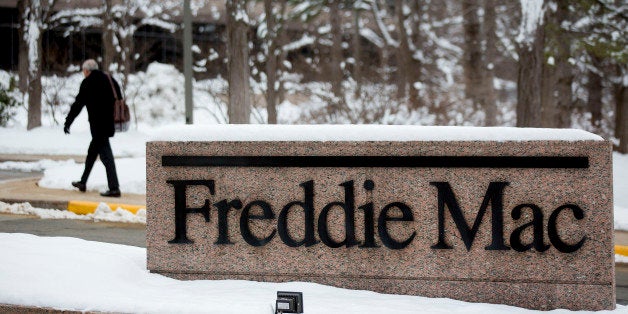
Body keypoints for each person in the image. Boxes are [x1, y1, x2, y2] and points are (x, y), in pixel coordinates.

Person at [64, 59, 121, 197]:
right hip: (108, 124)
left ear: (86, 70)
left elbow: (78, 105)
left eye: (83, 71)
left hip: (97, 126)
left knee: (107, 157)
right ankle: (83, 182)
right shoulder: (109, 78)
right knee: (92, 153)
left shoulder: (88, 82)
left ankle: (114, 188)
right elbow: (119, 96)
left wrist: (68, 122)